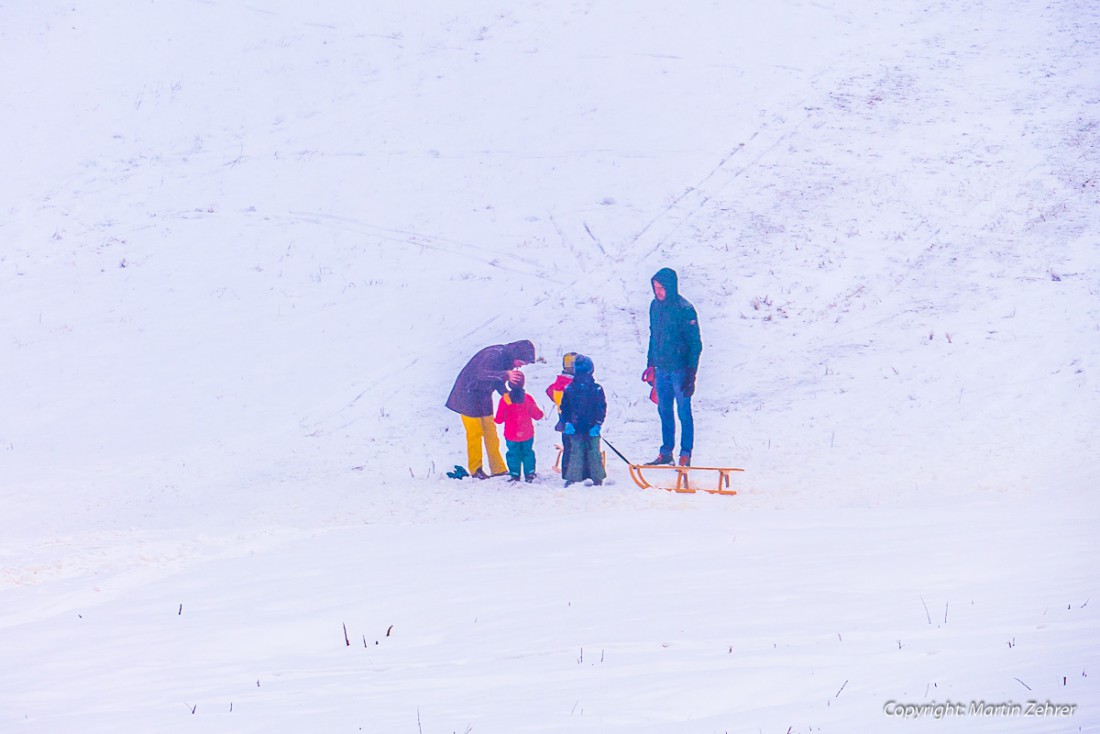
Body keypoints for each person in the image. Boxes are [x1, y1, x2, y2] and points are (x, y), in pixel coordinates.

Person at [445, 339, 535, 479]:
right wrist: (506, 374)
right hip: (467, 395)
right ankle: (476, 469)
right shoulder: (494, 354)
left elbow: (495, 379)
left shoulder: (506, 360)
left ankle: (497, 468)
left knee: (490, 432)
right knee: (475, 433)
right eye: (521, 363)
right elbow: (481, 374)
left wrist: (505, 392)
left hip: (483, 396)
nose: (520, 367)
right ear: (517, 355)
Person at [642, 268, 702, 467]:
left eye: (661, 288)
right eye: (655, 288)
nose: (657, 292)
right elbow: (653, 335)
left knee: (684, 412)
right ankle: (666, 452)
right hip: (662, 370)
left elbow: (695, 344)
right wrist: (651, 364)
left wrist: (691, 374)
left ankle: (685, 454)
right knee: (664, 411)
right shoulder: (655, 307)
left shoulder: (685, 309)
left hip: (680, 370)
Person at [560, 354, 607, 486]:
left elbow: (601, 408)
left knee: (593, 453)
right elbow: (565, 408)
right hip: (576, 427)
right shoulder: (569, 389)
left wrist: (598, 424)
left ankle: (597, 477)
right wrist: (568, 422)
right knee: (576, 453)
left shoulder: (596, 389)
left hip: (591, 426)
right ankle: (574, 477)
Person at [494, 370, 544, 482]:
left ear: (509, 384)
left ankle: (515, 474)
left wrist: (497, 419)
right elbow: (538, 415)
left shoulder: (505, 400)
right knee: (528, 453)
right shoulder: (527, 398)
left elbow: (499, 419)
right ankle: (529, 474)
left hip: (511, 434)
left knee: (513, 454)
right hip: (527, 433)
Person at [544, 352, 577, 472]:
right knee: (576, 445)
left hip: (562, 417)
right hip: (575, 419)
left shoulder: (560, 381)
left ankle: (566, 468)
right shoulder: (573, 384)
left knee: (567, 443)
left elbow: (549, 391)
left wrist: (557, 402)